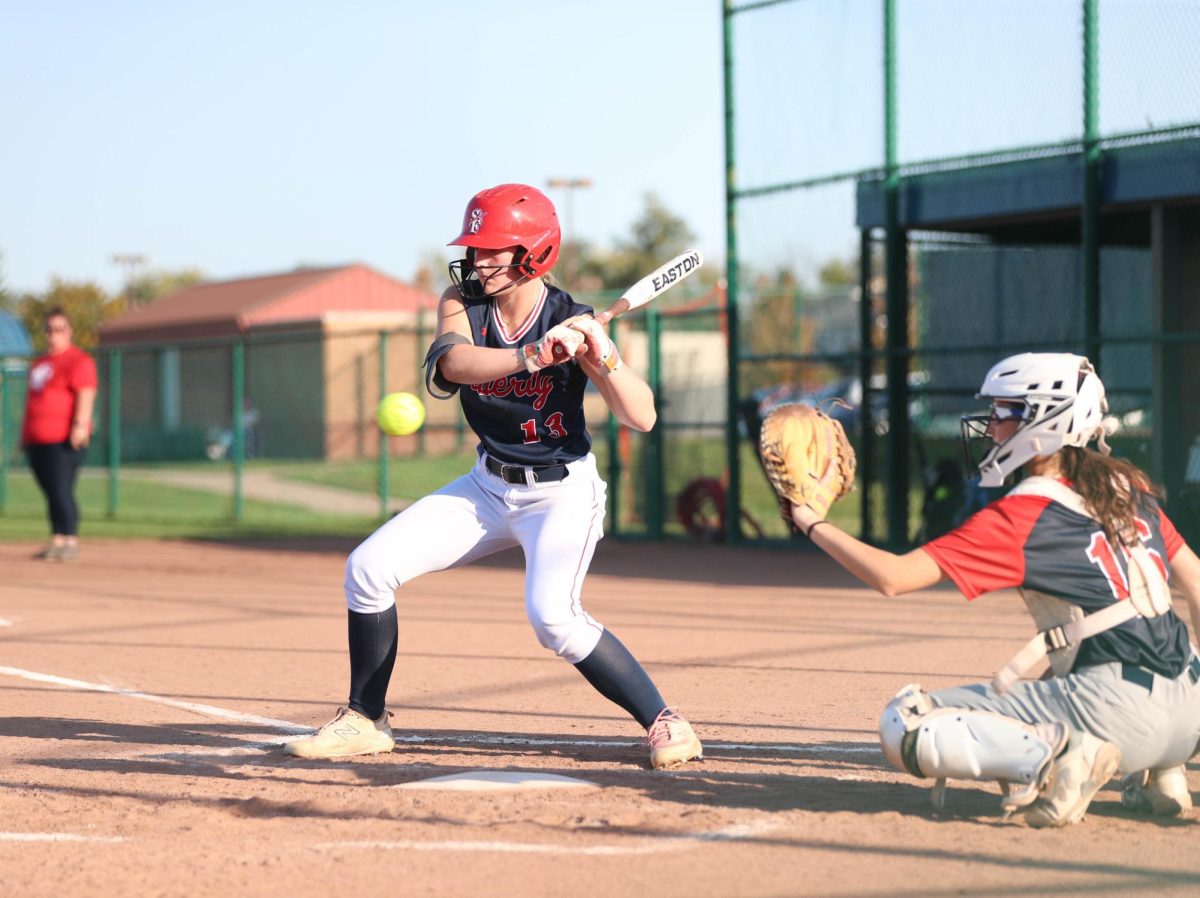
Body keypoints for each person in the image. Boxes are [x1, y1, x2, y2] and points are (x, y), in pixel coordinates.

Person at [285, 183, 703, 769]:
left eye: (493, 250)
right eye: (475, 248)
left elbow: (643, 415)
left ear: (533, 253)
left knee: (553, 619)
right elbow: (455, 364)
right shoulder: (462, 301)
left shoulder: (572, 320)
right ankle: (366, 718)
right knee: (368, 569)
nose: (478, 261)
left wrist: (600, 354)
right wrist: (533, 355)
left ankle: (666, 721)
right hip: (486, 487)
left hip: (561, 492)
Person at [791, 352, 1200, 827]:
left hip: (1120, 716)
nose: (991, 426)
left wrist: (808, 519)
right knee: (1090, 652)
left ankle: (1068, 756)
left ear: (1046, 419)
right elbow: (1195, 580)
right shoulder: (1127, 486)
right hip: (1192, 714)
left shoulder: (1025, 514)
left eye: (1004, 412)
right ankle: (1162, 772)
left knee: (904, 723)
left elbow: (893, 577)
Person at [21, 307, 97, 563]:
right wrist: (25, 435)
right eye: (50, 329)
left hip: (63, 438)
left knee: (61, 489)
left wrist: (80, 425)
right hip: (37, 439)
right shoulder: (40, 364)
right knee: (50, 491)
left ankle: (70, 539)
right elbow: (32, 403)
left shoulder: (78, 360)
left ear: (69, 331)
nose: (54, 334)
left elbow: (86, 393)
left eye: (60, 329)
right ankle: (57, 538)